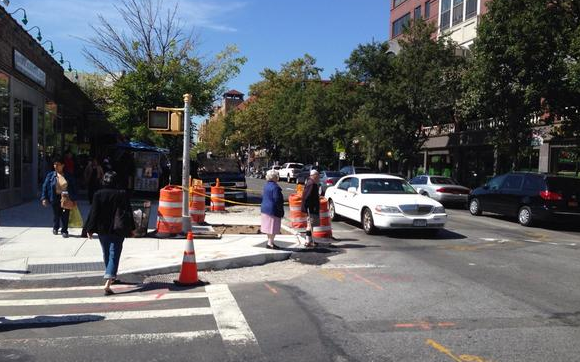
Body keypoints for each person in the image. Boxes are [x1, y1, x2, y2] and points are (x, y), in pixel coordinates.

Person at [85, 171, 135, 296]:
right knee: (115, 253)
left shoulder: (98, 194)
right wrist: (132, 228)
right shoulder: (122, 194)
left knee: (106, 252)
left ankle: (110, 275)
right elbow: (128, 212)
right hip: (118, 228)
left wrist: (89, 229)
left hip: (102, 229)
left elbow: (94, 213)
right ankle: (109, 280)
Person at [41, 156, 78, 238]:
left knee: (65, 215)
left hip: (66, 198)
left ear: (63, 165)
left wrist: (74, 199)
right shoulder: (50, 175)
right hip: (55, 197)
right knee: (56, 214)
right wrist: (44, 198)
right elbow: (45, 186)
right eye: (54, 164)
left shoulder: (68, 175)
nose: (56, 166)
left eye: (58, 164)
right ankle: (55, 227)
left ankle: (64, 230)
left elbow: (74, 187)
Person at [260, 170, 284, 249]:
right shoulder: (275, 187)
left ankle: (270, 242)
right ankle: (270, 243)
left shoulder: (266, 185)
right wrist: (281, 210)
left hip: (265, 208)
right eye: (277, 176)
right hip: (273, 210)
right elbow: (277, 200)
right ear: (274, 177)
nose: (278, 177)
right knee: (273, 227)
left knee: (268, 227)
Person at [301, 169, 321, 247]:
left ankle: (310, 240)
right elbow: (307, 196)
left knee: (311, 224)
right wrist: (307, 206)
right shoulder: (311, 184)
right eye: (318, 175)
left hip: (312, 207)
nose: (319, 177)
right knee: (310, 224)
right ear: (314, 176)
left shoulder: (311, 183)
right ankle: (308, 241)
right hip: (311, 207)